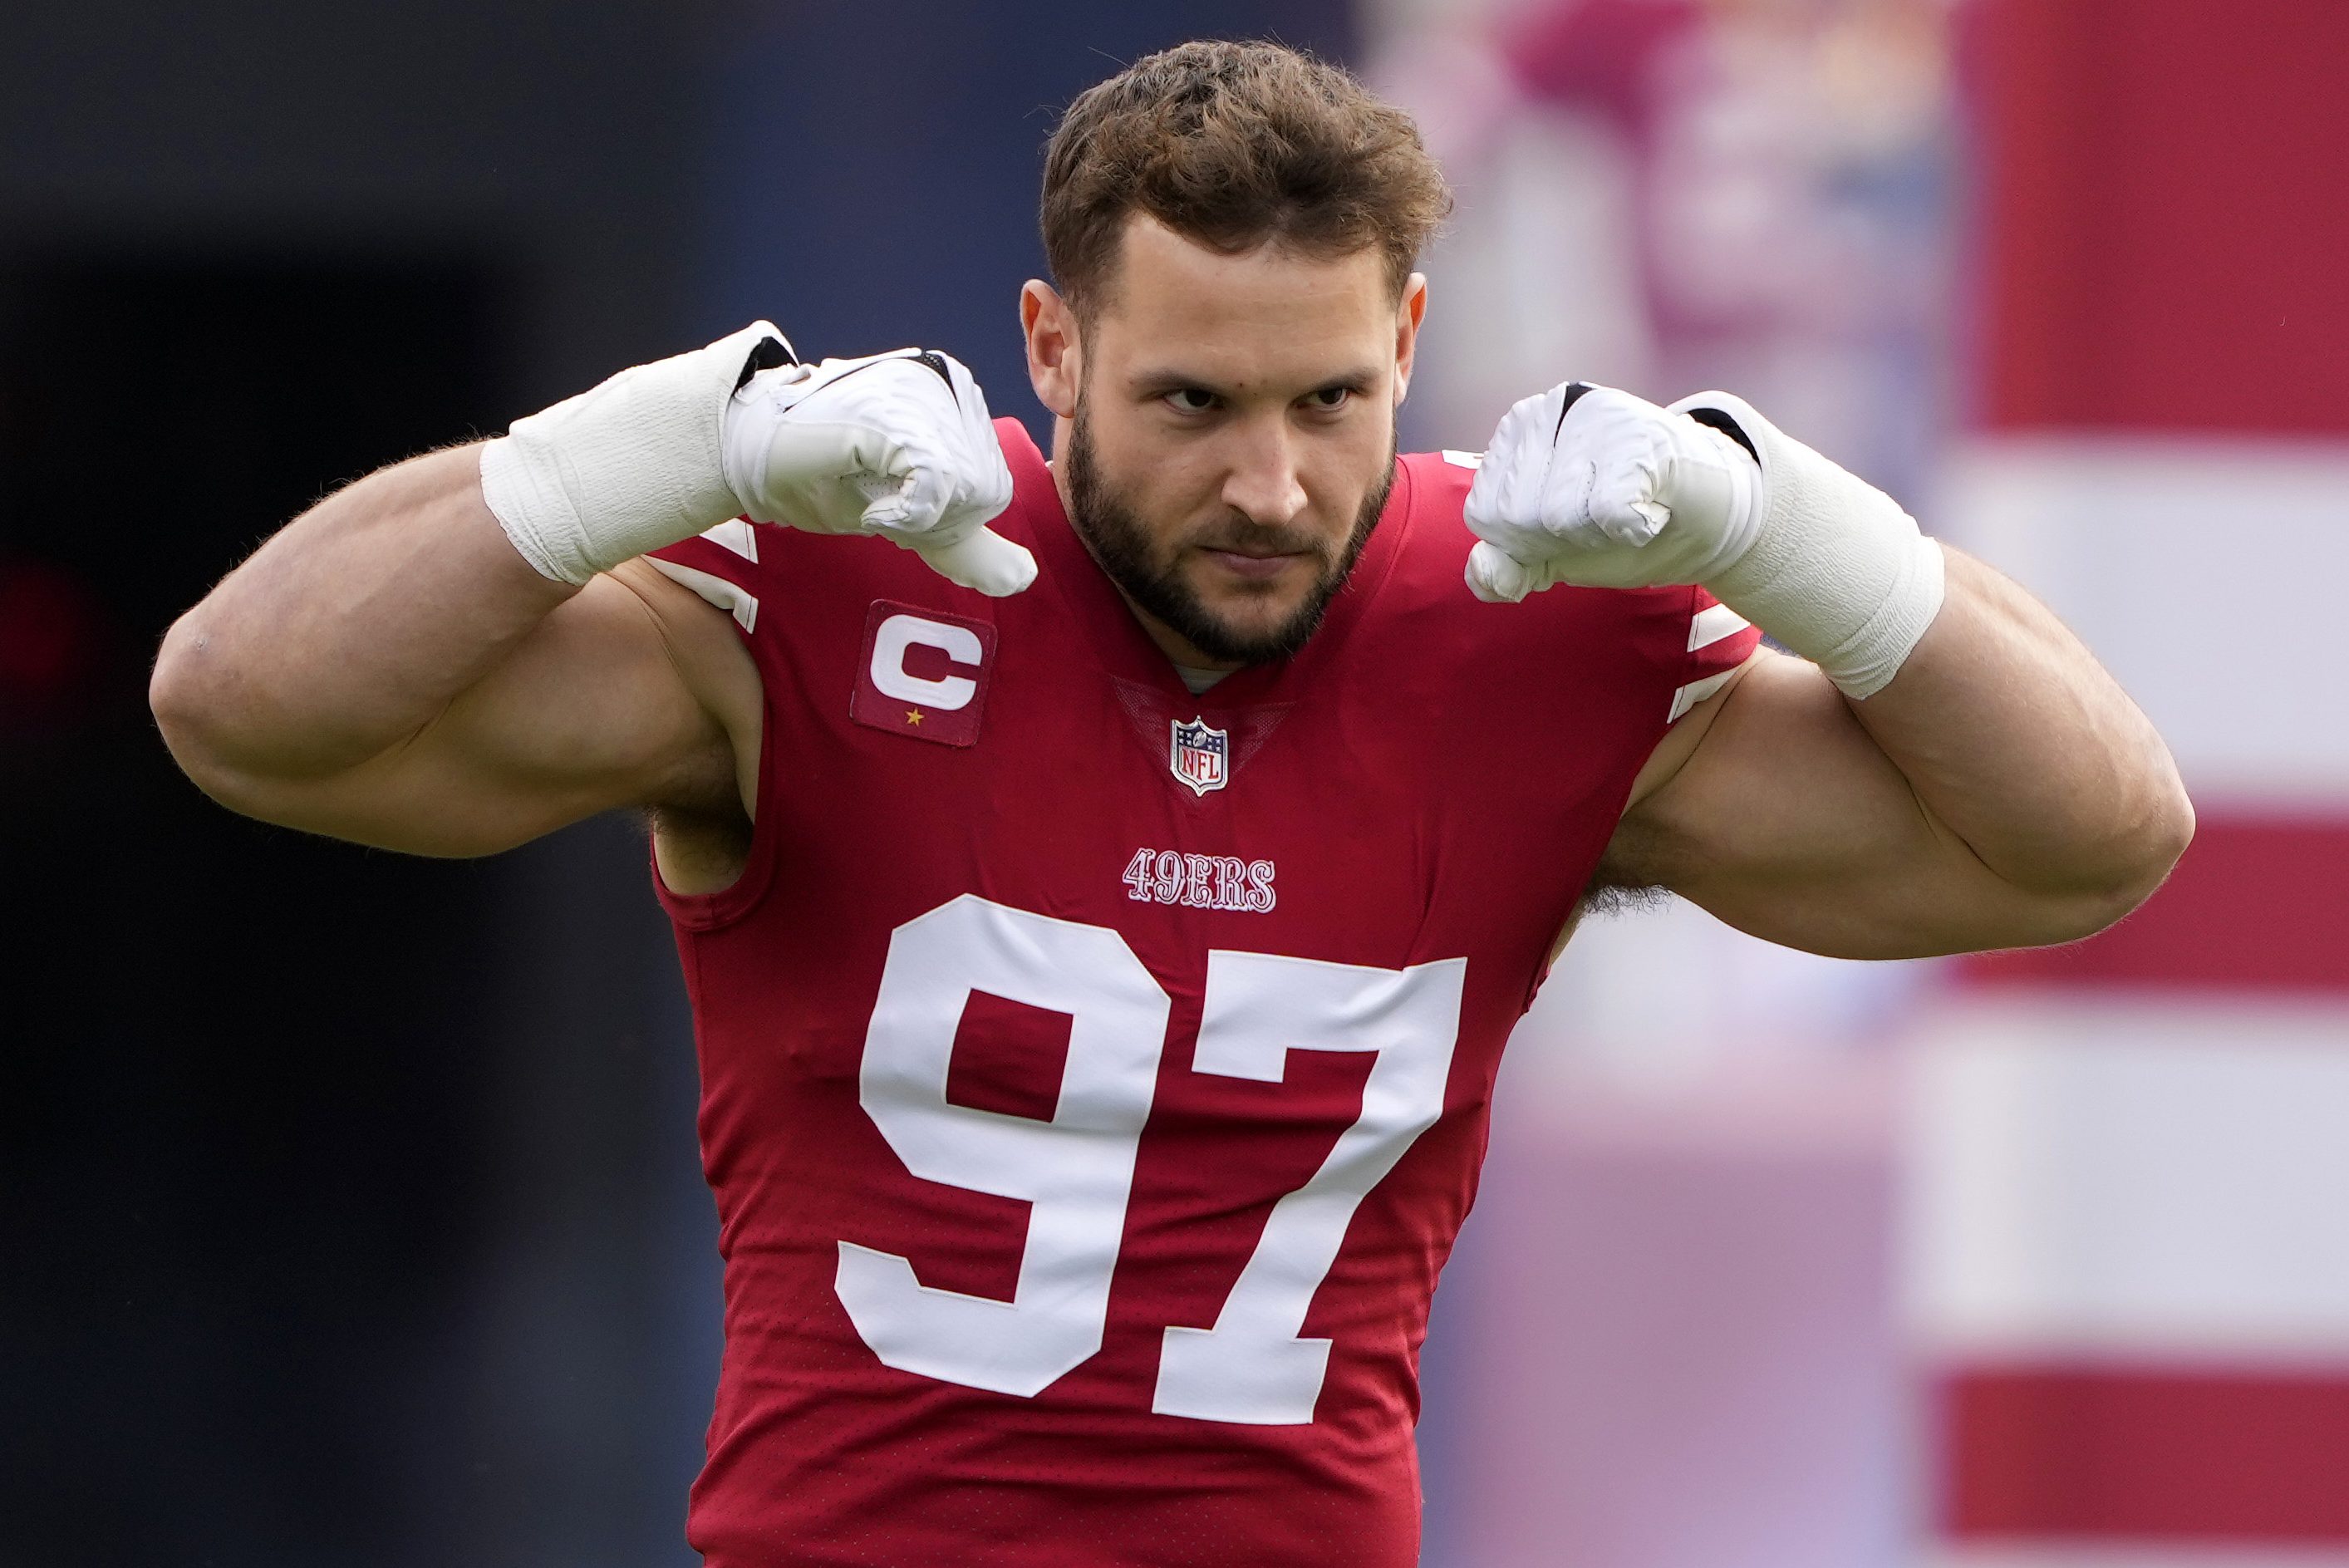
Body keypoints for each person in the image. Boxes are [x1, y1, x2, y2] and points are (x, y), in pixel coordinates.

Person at [149, 38, 2190, 1568]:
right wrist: (682, 440)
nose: (1273, 487)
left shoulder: (1528, 631)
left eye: (1329, 401)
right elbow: (250, 712)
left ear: (1409, 341)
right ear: (1051, 348)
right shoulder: (862, 577)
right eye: (1192, 404)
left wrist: (1775, 514)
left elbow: (2094, 835)